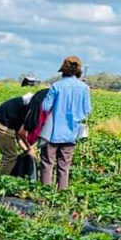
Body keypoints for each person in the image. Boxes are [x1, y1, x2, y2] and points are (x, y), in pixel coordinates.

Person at [40, 56, 91, 190]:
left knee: (47, 162)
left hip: (52, 132)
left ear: (63, 69)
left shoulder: (57, 86)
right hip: (71, 133)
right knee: (64, 166)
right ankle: (62, 193)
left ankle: (45, 193)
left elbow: (45, 107)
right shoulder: (84, 88)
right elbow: (87, 110)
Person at [0, 93, 36, 175]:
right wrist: (30, 148)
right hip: (0, 123)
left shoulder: (27, 104)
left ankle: (6, 176)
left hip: (0, 121)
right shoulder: (30, 109)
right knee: (10, 156)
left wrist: (27, 150)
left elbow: (19, 136)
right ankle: (1, 180)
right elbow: (22, 134)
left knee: (11, 154)